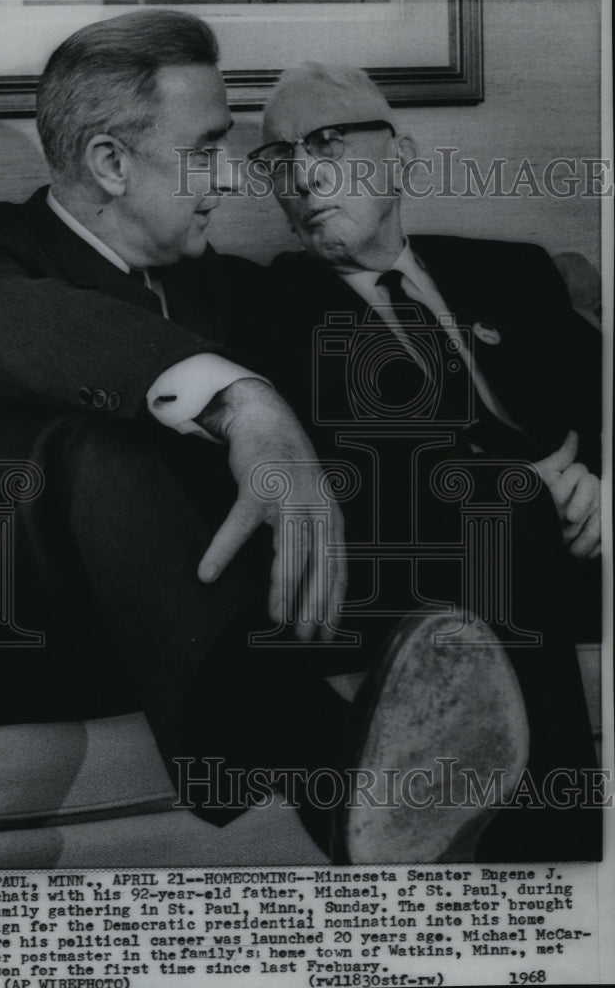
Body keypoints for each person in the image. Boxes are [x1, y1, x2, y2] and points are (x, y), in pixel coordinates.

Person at [0, 12, 566, 863]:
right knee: (100, 448)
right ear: (110, 162)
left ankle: (555, 859)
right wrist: (243, 403)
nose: (232, 180)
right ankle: (341, 786)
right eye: (207, 149)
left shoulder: (227, 287)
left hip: (222, 606)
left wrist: (546, 463)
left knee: (501, 509)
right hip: (26, 633)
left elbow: (392, 400)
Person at [241, 62, 603, 858]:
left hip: (579, 545)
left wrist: (605, 485)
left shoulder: (513, 273)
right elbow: (360, 468)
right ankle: (558, 870)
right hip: (430, 564)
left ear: (401, 156)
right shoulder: (269, 307)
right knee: (501, 507)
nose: (301, 175)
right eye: (277, 160)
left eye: (328, 141)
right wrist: (525, 487)